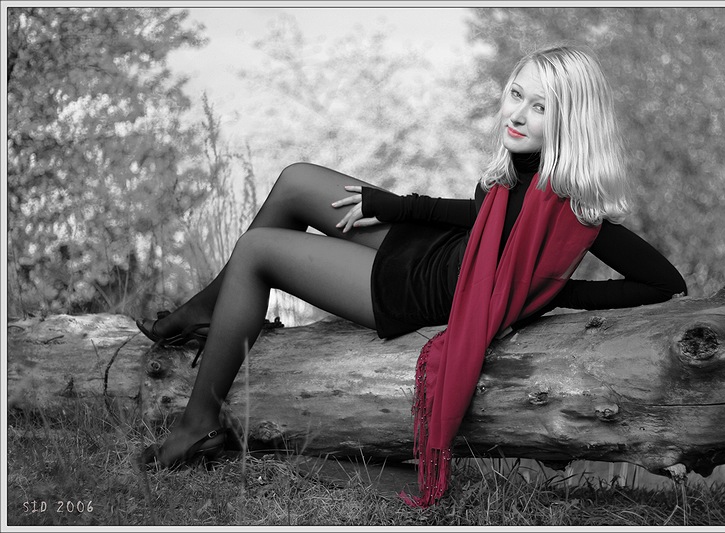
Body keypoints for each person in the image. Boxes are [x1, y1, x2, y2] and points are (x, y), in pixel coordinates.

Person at [136, 44, 687, 507]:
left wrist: (554, 293)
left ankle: (198, 423)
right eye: (516, 94)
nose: (517, 115)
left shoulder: (576, 210)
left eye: (539, 107)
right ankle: (210, 308)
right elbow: (476, 217)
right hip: (433, 250)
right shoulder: (517, 170)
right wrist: (398, 206)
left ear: (571, 121)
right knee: (297, 181)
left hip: (414, 292)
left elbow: (665, 283)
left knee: (258, 251)